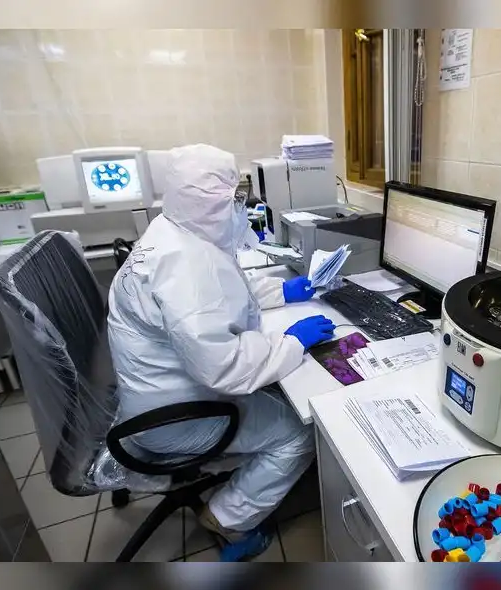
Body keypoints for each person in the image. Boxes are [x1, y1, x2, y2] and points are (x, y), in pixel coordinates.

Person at [106, 144, 335, 561]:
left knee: (278, 395)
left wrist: (280, 292)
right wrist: (293, 342)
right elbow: (225, 366)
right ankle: (229, 518)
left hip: (153, 397)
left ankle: (237, 487)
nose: (240, 207)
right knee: (301, 432)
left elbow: (221, 301)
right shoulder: (187, 266)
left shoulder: (172, 233)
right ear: (211, 203)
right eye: (234, 198)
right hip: (176, 419)